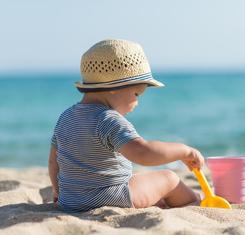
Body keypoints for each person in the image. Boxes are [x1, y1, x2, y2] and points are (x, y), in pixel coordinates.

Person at [48, 39, 203, 212]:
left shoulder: (65, 117)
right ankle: (193, 202)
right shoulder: (108, 119)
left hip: (70, 201)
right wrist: (184, 151)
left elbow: (54, 161)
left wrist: (58, 191)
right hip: (110, 198)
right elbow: (143, 153)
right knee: (169, 178)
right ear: (115, 87)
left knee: (138, 179)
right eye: (136, 93)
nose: (137, 102)